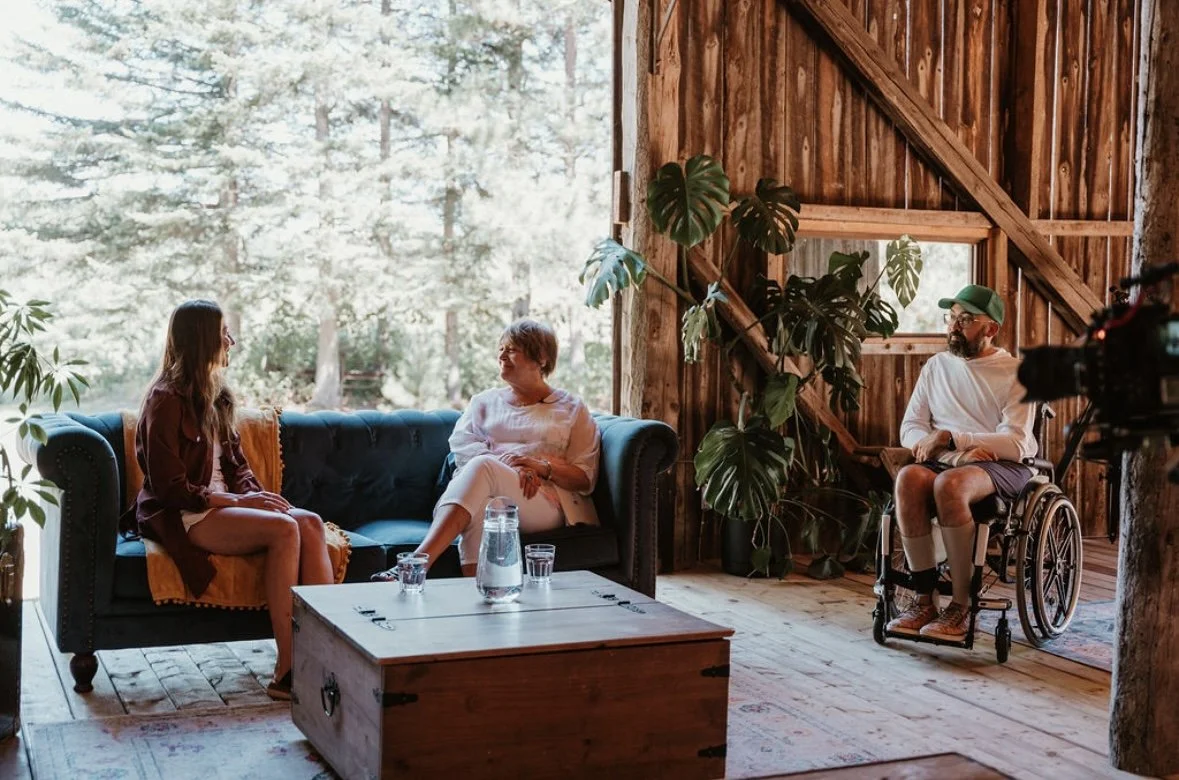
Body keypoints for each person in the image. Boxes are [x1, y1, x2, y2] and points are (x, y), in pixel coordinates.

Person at [130, 299, 333, 701]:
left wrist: (255, 496)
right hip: (187, 512)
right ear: (202, 339)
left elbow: (237, 466)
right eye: (224, 333)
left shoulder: (218, 395)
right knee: (284, 530)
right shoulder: (164, 400)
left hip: (224, 505)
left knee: (310, 523)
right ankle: (288, 671)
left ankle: (329, 659)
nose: (231, 342)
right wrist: (238, 505)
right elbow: (170, 489)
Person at [886, 284, 1036, 641]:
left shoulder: (1015, 373)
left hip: (1003, 465)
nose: (954, 326)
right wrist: (953, 453)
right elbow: (911, 428)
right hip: (952, 460)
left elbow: (1015, 443)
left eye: (965, 320)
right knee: (908, 479)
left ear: (991, 328)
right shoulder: (937, 367)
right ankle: (924, 600)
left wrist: (954, 438)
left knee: (950, 485)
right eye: (952, 318)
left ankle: (961, 605)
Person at [411, 319, 601, 575]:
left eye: (511, 350)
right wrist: (512, 468)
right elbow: (462, 447)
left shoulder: (571, 408)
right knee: (488, 506)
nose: (501, 356)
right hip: (492, 490)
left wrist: (540, 467)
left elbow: (584, 477)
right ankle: (477, 591)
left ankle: (417, 563)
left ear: (541, 358)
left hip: (544, 503)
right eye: (501, 349)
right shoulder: (483, 402)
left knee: (484, 465)